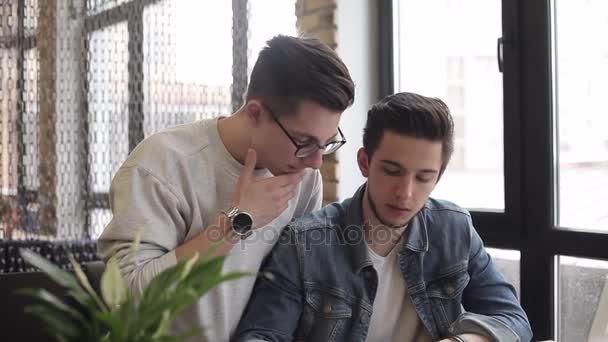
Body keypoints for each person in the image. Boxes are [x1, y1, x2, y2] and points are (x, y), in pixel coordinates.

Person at [97, 35, 355, 342]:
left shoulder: (303, 177)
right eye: (304, 142)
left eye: (326, 144)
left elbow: (293, 288)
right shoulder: (161, 165)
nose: (315, 162)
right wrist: (237, 223)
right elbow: (126, 299)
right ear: (255, 113)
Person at [232, 92, 532, 342]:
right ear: (364, 162)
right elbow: (260, 336)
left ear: (438, 177)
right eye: (392, 171)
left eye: (424, 177)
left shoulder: (454, 229)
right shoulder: (305, 242)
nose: (405, 193)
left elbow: (513, 319)